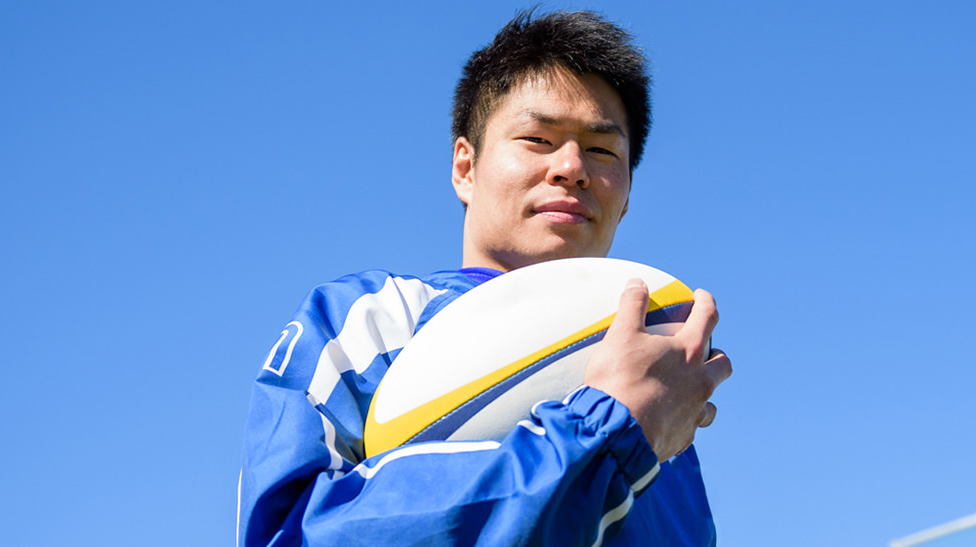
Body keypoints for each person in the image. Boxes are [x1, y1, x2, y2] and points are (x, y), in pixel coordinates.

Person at [238, 9, 732, 546]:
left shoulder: (666, 392)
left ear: (628, 197)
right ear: (465, 168)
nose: (572, 167)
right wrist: (604, 431)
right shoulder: (370, 319)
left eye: (601, 149)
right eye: (537, 139)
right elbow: (286, 532)